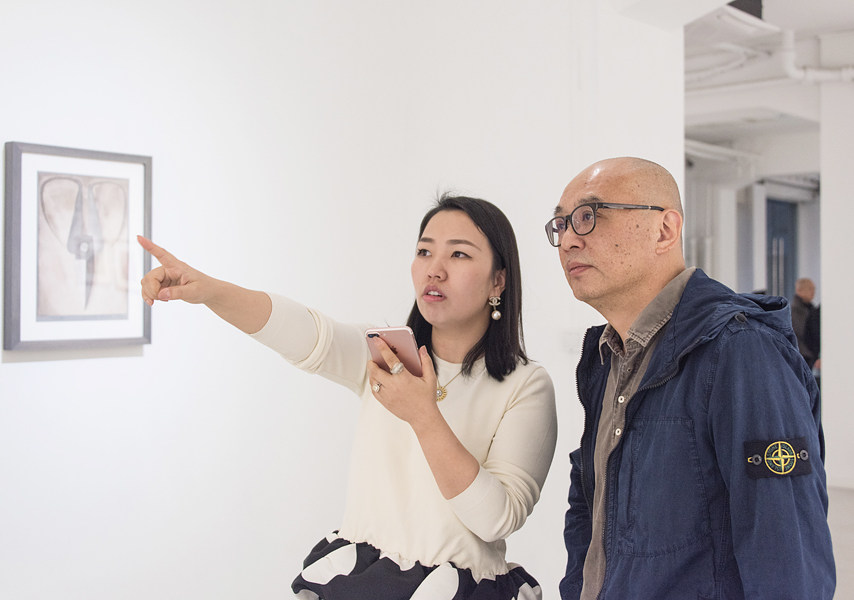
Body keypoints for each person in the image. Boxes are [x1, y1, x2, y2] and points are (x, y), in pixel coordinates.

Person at [139, 195, 557, 600]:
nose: (435, 269)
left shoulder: (526, 385)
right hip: (360, 583)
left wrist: (423, 416)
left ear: (498, 280)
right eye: (424, 251)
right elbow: (307, 333)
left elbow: (496, 518)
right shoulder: (385, 357)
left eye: (459, 254)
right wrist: (209, 290)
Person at [546, 158, 835, 599]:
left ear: (665, 230)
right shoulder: (605, 357)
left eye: (588, 216)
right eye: (560, 224)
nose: (568, 239)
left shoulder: (741, 351)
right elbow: (592, 507)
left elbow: (787, 557)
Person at [791, 277, 818, 368]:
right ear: (800, 290)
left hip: (809, 356)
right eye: (810, 289)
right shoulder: (795, 311)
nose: (813, 292)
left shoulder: (811, 309)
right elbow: (802, 332)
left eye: (814, 289)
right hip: (801, 355)